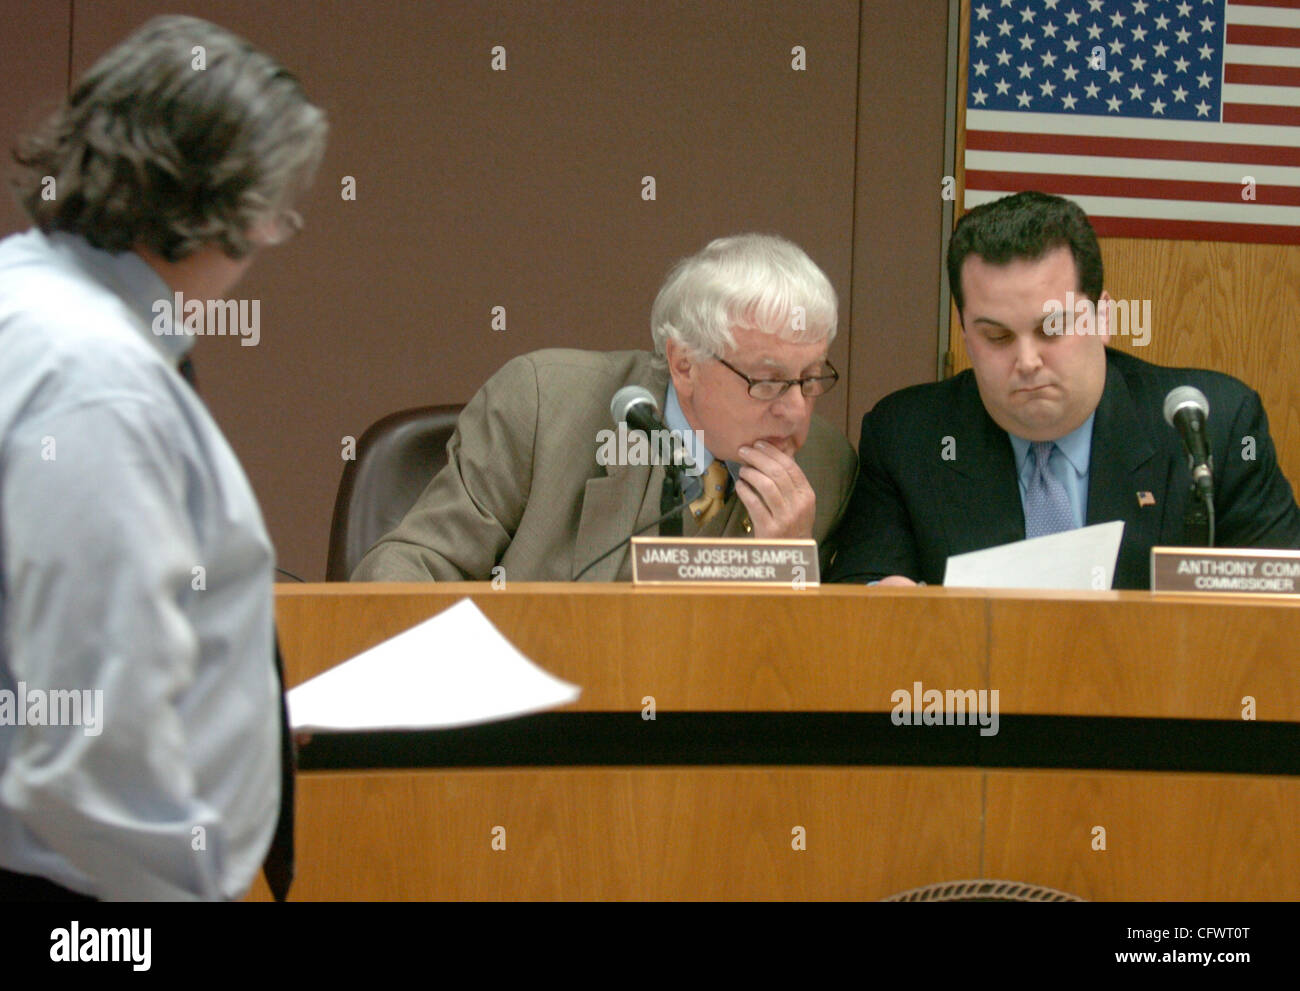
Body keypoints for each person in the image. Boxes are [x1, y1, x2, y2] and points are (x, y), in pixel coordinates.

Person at [0, 15, 326, 899]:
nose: (269, 239)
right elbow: (91, 734)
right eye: (273, 208)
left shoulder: (25, 299)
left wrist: (239, 719)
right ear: (219, 203)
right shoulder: (96, 377)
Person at [827, 191, 1300, 589]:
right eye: (997, 337)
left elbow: (1278, 611)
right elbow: (865, 613)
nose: (1027, 361)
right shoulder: (907, 438)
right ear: (965, 333)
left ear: (1104, 319)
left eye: (1053, 328)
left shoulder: (1210, 427)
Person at [352, 233, 857, 582]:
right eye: (767, 382)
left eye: (812, 379)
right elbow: (410, 566)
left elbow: (805, 677)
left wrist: (789, 567)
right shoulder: (543, 407)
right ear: (684, 365)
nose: (795, 411)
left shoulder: (826, 469)